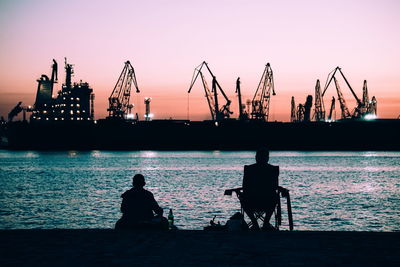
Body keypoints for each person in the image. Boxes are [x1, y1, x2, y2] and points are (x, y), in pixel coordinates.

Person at [241, 148, 279, 230]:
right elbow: (275, 186)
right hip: (268, 202)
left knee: (242, 198)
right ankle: (266, 223)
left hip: (251, 201)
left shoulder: (249, 169)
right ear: (268, 158)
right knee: (275, 197)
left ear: (256, 157)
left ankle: (255, 223)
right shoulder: (273, 169)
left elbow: (244, 186)